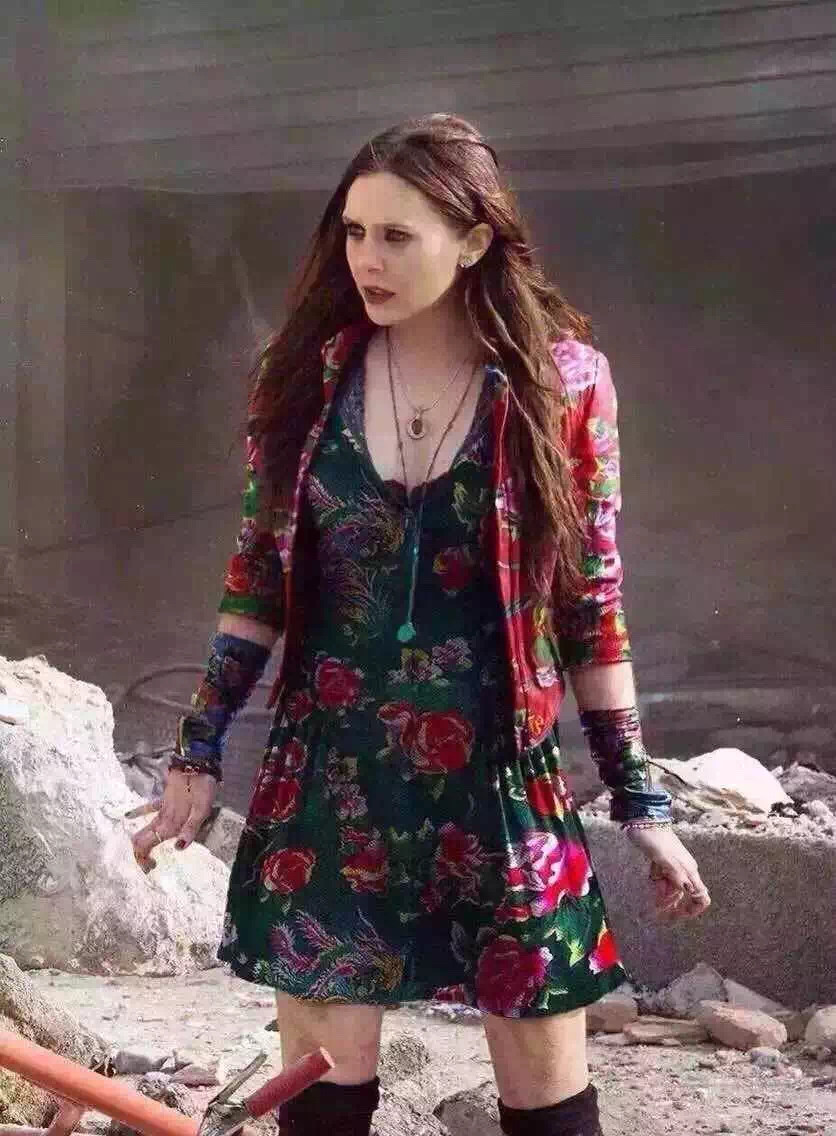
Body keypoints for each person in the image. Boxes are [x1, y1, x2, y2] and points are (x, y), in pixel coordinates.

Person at [129, 113, 711, 1136]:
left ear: (474, 239)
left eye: (397, 236)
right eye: (355, 232)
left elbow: (589, 600)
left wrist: (639, 801)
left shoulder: (562, 385)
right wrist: (196, 750)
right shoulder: (301, 377)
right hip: (331, 775)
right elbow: (256, 578)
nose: (367, 259)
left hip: (497, 775)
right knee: (320, 1095)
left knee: (547, 1100)